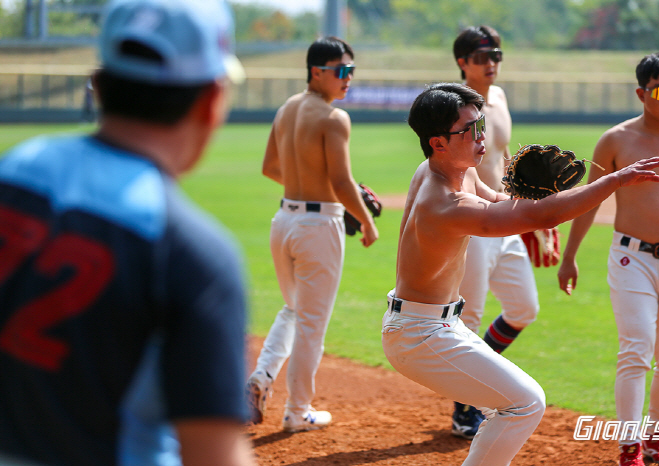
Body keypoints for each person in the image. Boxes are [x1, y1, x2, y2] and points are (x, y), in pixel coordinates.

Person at [0, 1, 253, 465]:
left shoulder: (14, 170)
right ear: (212, 100)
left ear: (97, 85)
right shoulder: (193, 252)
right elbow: (213, 455)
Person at [383, 81, 659, 466]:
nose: (482, 137)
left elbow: (503, 201)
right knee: (526, 403)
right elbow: (534, 215)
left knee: (506, 406)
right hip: (420, 335)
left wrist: (533, 203)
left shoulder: (448, 170)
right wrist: (613, 180)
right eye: (470, 131)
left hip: (437, 325)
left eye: (481, 124)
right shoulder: (444, 203)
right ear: (438, 142)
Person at [557, 53, 659, 466]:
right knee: (636, 349)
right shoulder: (616, 140)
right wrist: (570, 256)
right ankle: (629, 445)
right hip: (630, 258)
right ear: (641, 92)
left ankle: (656, 437)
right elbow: (588, 202)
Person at [246, 36, 379, 433]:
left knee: (294, 310)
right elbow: (341, 181)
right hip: (318, 228)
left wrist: (307, 187)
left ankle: (260, 379)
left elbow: (271, 166)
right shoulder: (334, 119)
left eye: (351, 71)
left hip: (284, 222)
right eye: (341, 71)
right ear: (317, 71)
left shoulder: (287, 107)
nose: (348, 79)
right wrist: (367, 222)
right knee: (311, 325)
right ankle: (298, 411)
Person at [449, 25, 553, 439]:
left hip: (505, 215)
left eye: (496, 55)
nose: (491, 63)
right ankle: (463, 408)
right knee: (468, 318)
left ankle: (475, 384)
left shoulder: (501, 98)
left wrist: (529, 214)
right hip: (474, 221)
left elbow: (505, 156)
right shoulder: (456, 105)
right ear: (463, 62)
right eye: (481, 56)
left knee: (524, 307)